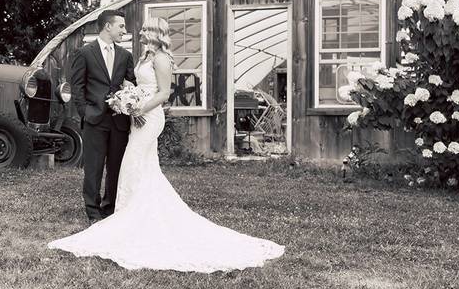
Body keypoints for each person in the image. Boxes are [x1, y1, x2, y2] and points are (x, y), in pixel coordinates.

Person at [48, 17, 285, 273]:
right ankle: (110, 212)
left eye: (140, 29)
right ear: (108, 26)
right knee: (123, 165)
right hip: (118, 116)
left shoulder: (153, 58)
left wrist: (135, 107)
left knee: (127, 164)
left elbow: (162, 93)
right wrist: (113, 103)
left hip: (144, 117)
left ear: (153, 33)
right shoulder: (132, 57)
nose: (132, 32)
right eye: (122, 27)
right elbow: (121, 85)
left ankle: (123, 213)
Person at [69, 9, 137, 224]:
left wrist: (129, 102)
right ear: (108, 26)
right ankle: (93, 210)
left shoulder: (125, 55)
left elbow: (131, 84)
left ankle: (110, 207)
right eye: (121, 27)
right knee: (94, 167)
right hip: (94, 119)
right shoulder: (85, 53)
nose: (124, 31)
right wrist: (86, 113)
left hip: (119, 121)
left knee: (116, 166)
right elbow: (77, 87)